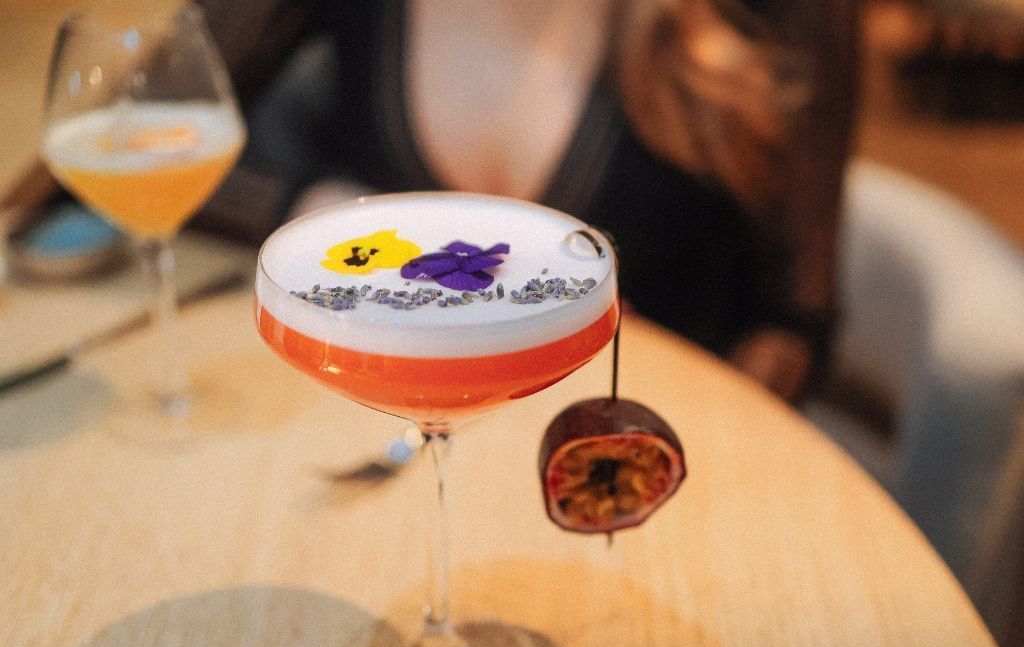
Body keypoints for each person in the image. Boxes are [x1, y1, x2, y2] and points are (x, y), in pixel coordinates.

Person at [198, 0, 861, 401]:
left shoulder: (775, 14)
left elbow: (795, 324)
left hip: (620, 483)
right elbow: (133, 133)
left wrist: (660, 443)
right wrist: (311, 204)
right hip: (386, 442)